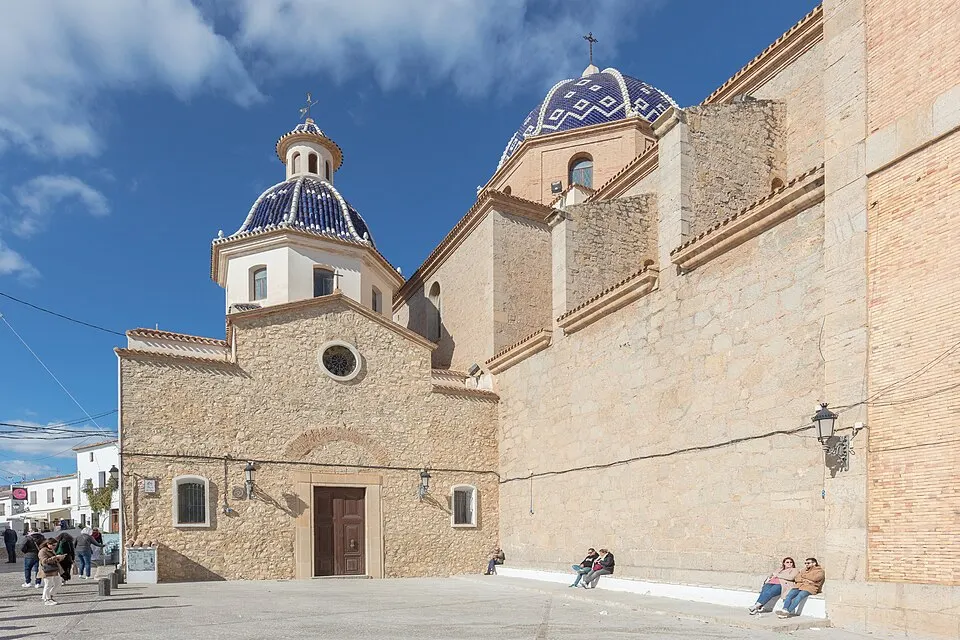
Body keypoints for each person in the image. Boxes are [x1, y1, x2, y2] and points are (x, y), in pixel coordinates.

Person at [38, 538, 67, 605]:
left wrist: (60, 558)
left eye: (55, 545)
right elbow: (44, 561)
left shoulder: (51, 549)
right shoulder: (43, 551)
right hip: (47, 570)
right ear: (48, 544)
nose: (55, 547)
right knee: (48, 584)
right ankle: (47, 599)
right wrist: (55, 557)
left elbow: (53, 559)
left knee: (58, 583)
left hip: (54, 569)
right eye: (53, 545)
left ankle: (49, 596)